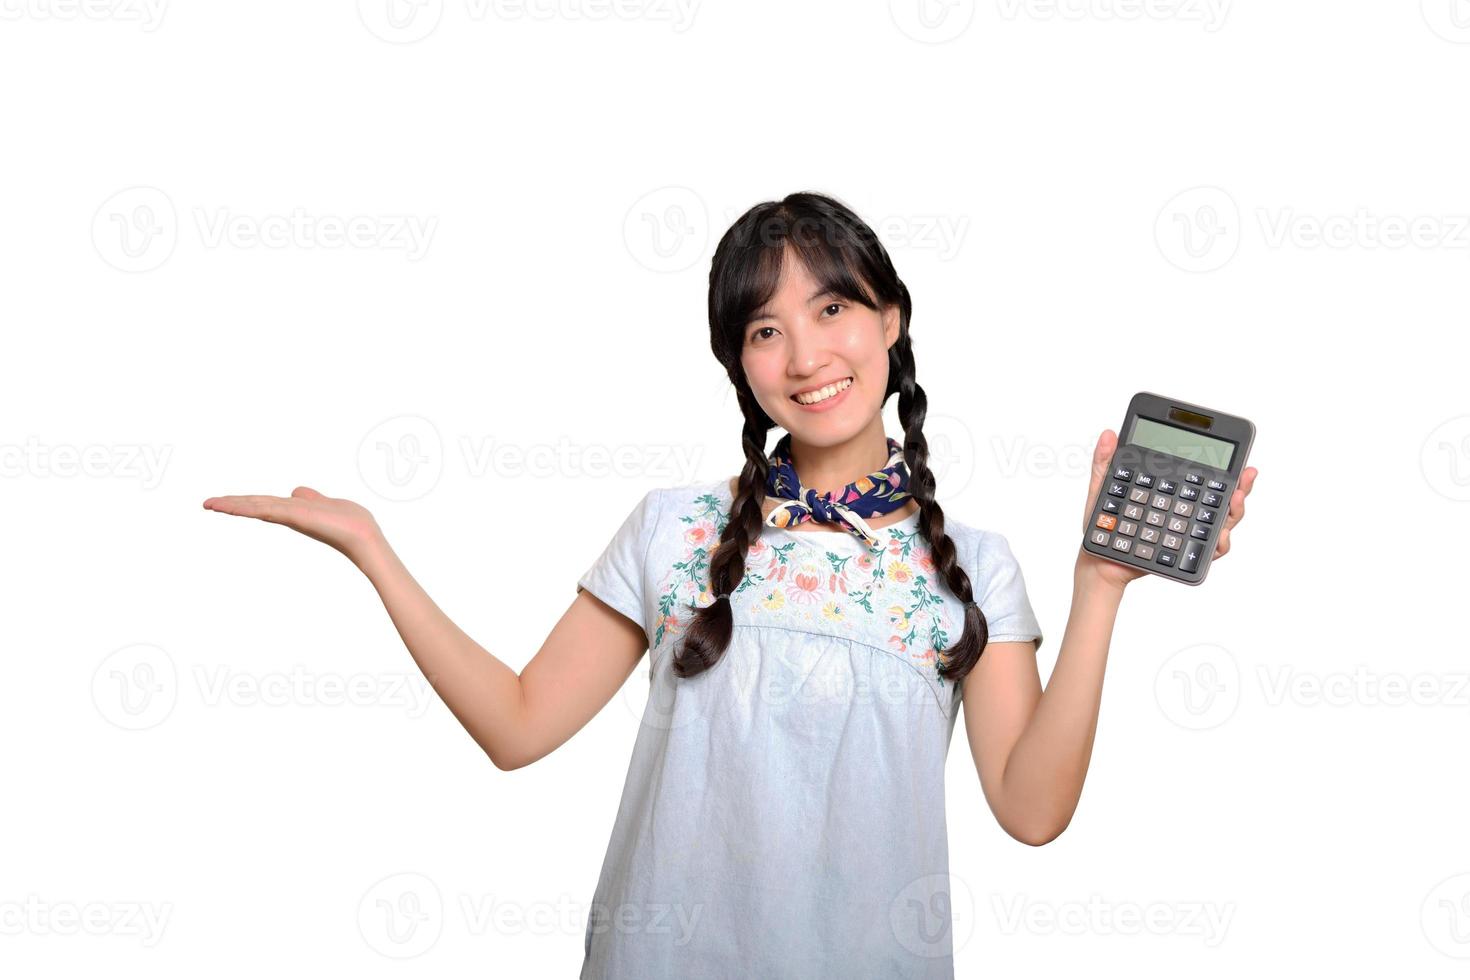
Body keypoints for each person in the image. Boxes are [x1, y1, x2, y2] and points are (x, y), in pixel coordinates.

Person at [202, 191, 1258, 978]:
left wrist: (1103, 586)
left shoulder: (972, 566)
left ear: (892, 318)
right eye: (765, 329)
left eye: (834, 307)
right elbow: (519, 725)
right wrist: (374, 550)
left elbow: (1031, 811)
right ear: (741, 365)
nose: (806, 354)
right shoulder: (677, 528)